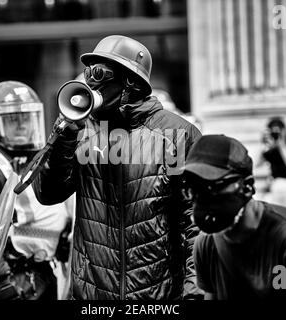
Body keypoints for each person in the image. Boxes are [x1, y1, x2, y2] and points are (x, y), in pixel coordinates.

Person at [33, 35, 203, 299]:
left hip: (158, 295)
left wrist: (194, 292)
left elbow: (194, 225)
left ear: (131, 82)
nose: (91, 81)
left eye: (101, 73)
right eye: (89, 72)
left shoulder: (176, 134)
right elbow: (48, 193)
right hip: (93, 294)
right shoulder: (82, 131)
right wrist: (63, 139)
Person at [182, 134, 286, 300]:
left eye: (213, 187)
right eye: (193, 189)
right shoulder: (207, 245)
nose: (201, 197)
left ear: (247, 187)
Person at [0, 81, 74, 300]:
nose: (22, 126)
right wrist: (2, 284)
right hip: (14, 277)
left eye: (26, 118)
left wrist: (63, 235)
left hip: (46, 270)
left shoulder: (41, 156)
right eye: (13, 119)